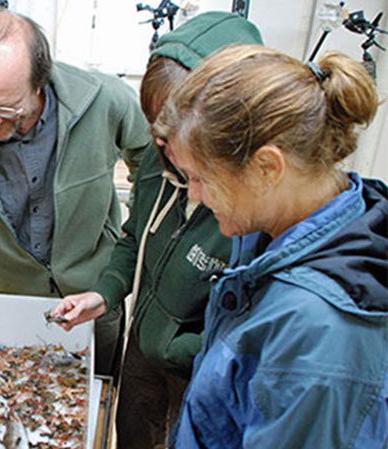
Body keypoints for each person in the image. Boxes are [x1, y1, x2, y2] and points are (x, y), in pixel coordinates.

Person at [0, 10, 154, 445]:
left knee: (93, 420)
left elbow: (155, 179)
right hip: (12, 309)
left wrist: (125, 261)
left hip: (98, 304)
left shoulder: (106, 101)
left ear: (40, 80)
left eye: (5, 108)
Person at [151, 45, 388, 447]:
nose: (194, 194)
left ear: (267, 168)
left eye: (200, 177)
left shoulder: (319, 335)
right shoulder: (271, 237)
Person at [52, 12, 262, 449]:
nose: (161, 149)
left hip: (202, 370)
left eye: (173, 138)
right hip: (143, 350)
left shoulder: (253, 203)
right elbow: (135, 236)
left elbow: (258, 328)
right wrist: (106, 292)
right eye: (155, 133)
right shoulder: (156, 158)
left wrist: (176, 348)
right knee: (133, 434)